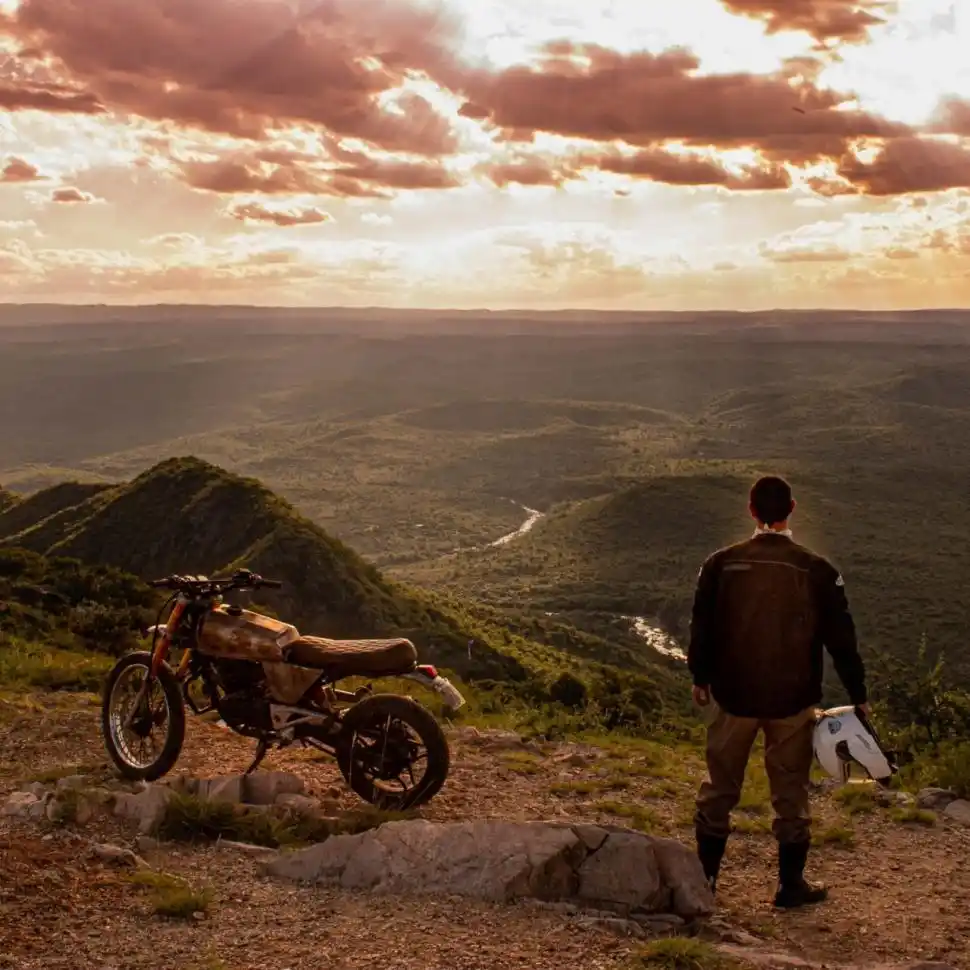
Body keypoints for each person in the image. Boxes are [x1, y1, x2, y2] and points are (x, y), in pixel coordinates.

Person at [687, 475, 868, 909]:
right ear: (792, 509)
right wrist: (858, 692)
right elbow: (841, 639)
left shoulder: (721, 563)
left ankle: (704, 882)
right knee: (790, 793)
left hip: (733, 695)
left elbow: (702, 625)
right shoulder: (817, 569)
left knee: (719, 789)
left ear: (751, 510)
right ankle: (790, 886)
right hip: (792, 700)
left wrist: (701, 676)